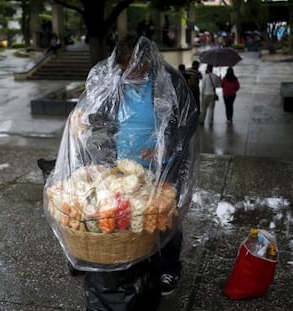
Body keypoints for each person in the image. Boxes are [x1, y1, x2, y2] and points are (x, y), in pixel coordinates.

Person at [45, 33, 199, 310]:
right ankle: (136, 261)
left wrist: (166, 149)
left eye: (135, 65)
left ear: (147, 60)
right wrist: (90, 132)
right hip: (123, 162)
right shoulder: (114, 83)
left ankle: (169, 267)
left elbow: (186, 120)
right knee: (128, 214)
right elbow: (99, 118)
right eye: (125, 65)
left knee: (164, 213)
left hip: (162, 162)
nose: (131, 71)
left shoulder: (169, 81)